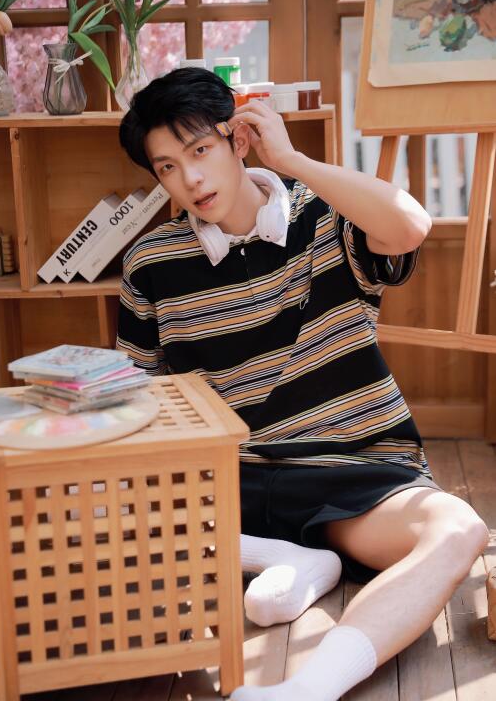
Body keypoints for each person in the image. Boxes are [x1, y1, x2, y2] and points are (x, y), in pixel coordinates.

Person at [116, 67, 488, 701]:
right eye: (168, 168)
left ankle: (310, 688)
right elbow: (139, 394)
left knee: (459, 530)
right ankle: (281, 557)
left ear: (239, 138)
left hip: (350, 470)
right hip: (227, 483)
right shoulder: (150, 262)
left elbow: (408, 226)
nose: (190, 180)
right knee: (90, 504)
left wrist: (291, 161)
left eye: (200, 150)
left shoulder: (326, 216)